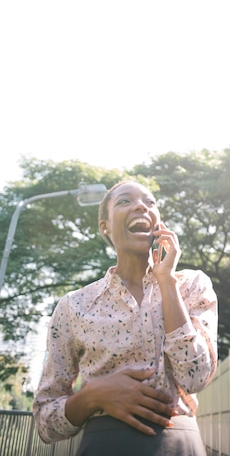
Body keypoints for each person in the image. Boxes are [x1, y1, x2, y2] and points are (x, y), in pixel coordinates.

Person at [33, 180, 218, 456]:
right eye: (124, 201)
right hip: (103, 447)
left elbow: (196, 378)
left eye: (150, 202)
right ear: (105, 226)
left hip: (180, 446)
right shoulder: (73, 306)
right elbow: (46, 422)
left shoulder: (192, 285)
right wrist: (93, 395)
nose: (141, 206)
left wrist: (166, 280)